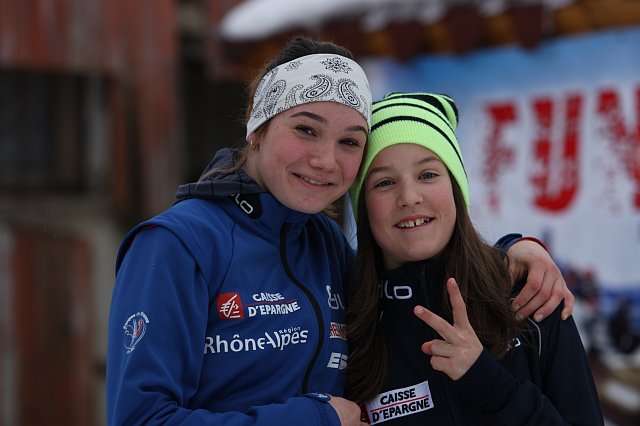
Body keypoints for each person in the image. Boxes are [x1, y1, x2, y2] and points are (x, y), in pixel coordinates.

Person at [106, 36, 572, 426]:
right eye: (306, 130)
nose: (326, 160)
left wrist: (512, 252)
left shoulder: (322, 242)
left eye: (349, 141)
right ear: (257, 129)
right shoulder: (177, 245)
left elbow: (412, 276)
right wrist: (314, 418)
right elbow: (141, 419)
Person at [346, 92, 602, 425]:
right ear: (362, 205)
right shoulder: (350, 326)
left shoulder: (530, 294)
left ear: (456, 187)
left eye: (427, 175)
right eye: (384, 182)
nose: (409, 197)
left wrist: (489, 383)